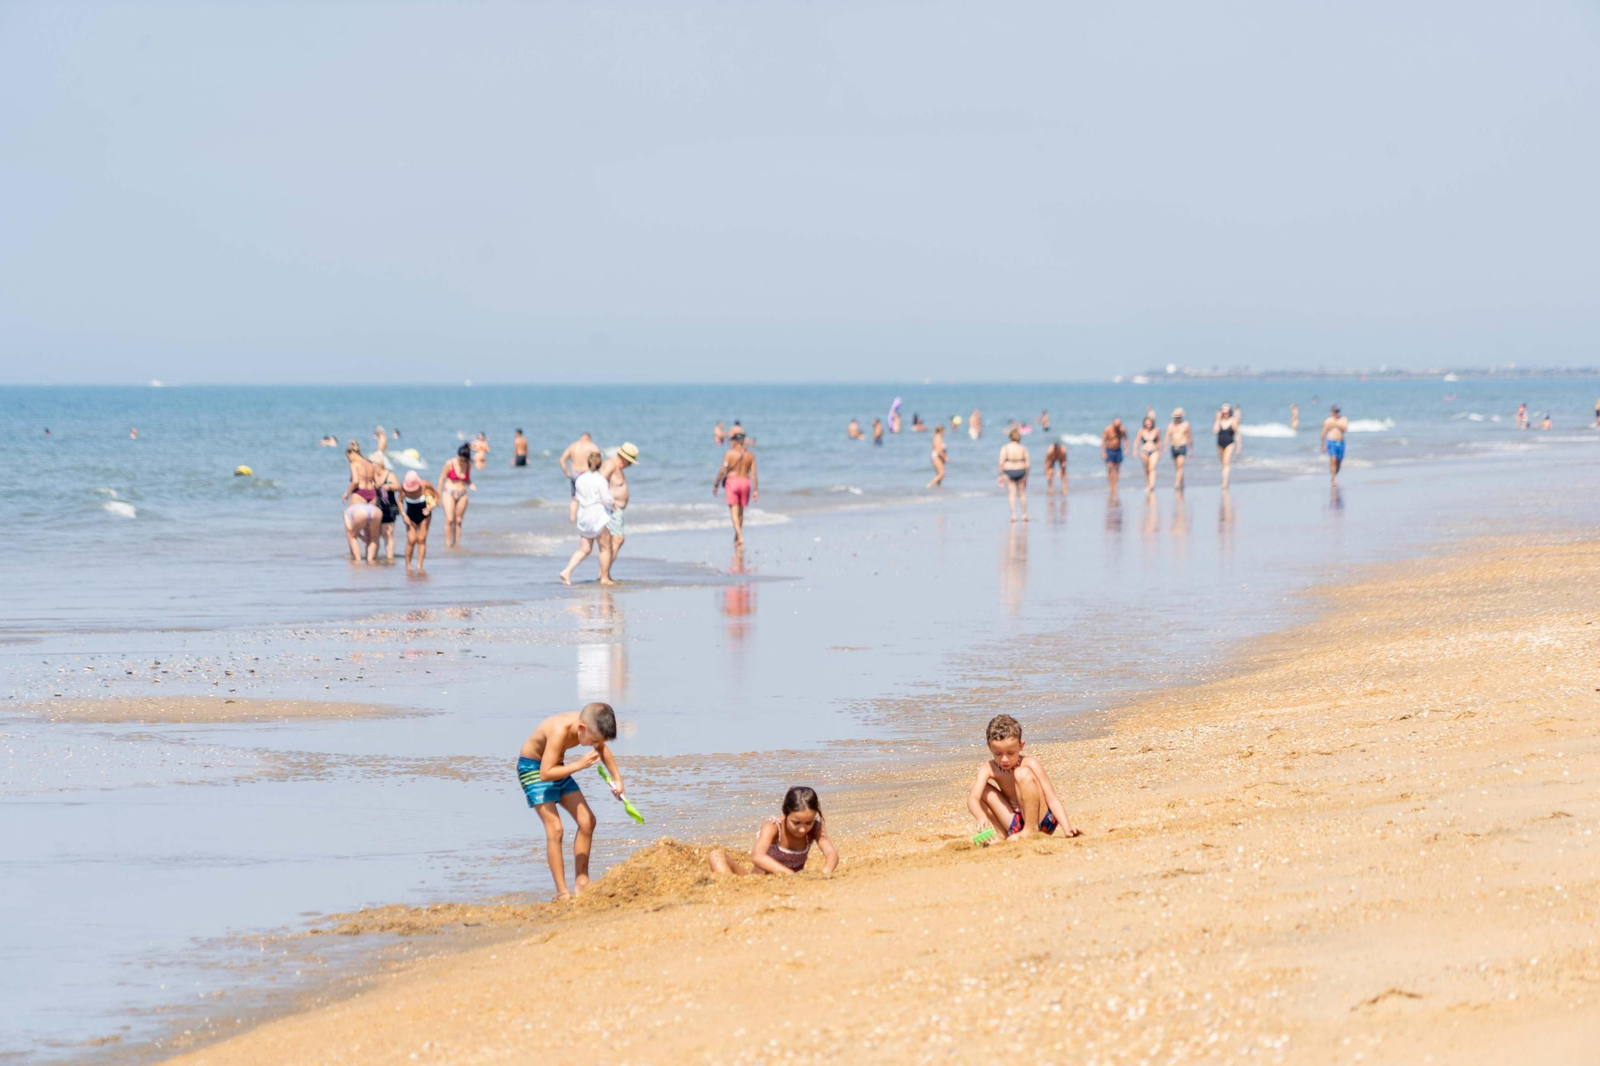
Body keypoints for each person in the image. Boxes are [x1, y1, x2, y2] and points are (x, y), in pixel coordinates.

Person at [516, 702, 624, 900]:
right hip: (534, 770)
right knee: (556, 829)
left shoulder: (589, 725)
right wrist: (579, 764)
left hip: (557, 767)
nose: (594, 745)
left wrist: (617, 779)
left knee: (587, 821)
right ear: (581, 728)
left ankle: (582, 880)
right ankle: (562, 893)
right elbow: (545, 773)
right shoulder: (559, 730)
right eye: (593, 740)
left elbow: (602, 749)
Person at [966, 714, 1080, 843]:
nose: (1004, 759)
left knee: (1021, 773)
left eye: (1011, 753)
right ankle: (1002, 833)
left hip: (1042, 821)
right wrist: (980, 815)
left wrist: (1067, 827)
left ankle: (1030, 829)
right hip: (1014, 822)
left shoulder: (1030, 763)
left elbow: (1052, 798)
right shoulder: (988, 768)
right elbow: (973, 798)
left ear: (1021, 745)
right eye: (998, 754)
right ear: (989, 747)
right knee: (975, 787)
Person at [707, 786, 839, 877]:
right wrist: (789, 874)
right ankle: (731, 886)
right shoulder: (773, 827)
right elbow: (757, 856)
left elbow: (831, 853)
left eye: (808, 822)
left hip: (789, 885)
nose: (803, 829)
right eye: (796, 823)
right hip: (757, 881)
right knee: (716, 855)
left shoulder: (815, 828)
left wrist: (826, 872)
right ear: (785, 813)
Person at [559, 451, 615, 585]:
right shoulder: (600, 479)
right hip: (598, 515)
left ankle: (566, 571)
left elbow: (577, 497)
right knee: (605, 548)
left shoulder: (580, 479)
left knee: (584, 549)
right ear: (600, 464)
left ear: (588, 463)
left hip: (584, 515)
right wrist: (613, 505)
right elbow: (606, 498)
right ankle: (604, 578)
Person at [597, 443, 639, 583]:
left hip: (615, 510)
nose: (630, 466)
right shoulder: (610, 465)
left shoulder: (616, 467)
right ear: (624, 458)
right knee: (616, 540)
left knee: (614, 541)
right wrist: (608, 503)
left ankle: (604, 573)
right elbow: (599, 483)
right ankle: (603, 574)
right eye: (630, 462)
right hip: (611, 509)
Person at [713, 432, 758, 545]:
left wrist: (716, 485)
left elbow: (722, 471)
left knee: (734, 512)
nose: (730, 443)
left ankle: (740, 536)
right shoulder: (750, 455)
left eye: (732, 441)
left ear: (735, 441)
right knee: (741, 513)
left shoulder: (730, 453)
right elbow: (753, 474)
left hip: (732, 482)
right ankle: (737, 536)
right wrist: (755, 490)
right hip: (745, 482)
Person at [558, 432, 601, 522]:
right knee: (589, 496)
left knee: (574, 498)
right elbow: (598, 460)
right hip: (586, 473)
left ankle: (572, 518)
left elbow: (562, 459)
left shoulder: (573, 446)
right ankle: (588, 518)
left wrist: (567, 472)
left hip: (575, 473)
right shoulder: (591, 446)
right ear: (589, 438)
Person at [439, 444, 475, 548]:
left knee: (458, 520)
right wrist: (437, 495)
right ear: (457, 455)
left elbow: (467, 479)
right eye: (460, 459)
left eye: (464, 460)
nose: (462, 462)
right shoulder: (449, 463)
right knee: (450, 519)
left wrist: (471, 484)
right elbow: (441, 479)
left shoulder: (468, 465)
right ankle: (448, 544)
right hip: (449, 492)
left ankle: (456, 544)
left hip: (462, 493)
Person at [399, 470, 436, 572]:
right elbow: (399, 502)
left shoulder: (425, 485)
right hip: (410, 516)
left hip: (425, 516)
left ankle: (419, 566)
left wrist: (430, 507)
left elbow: (436, 496)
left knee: (421, 539)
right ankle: (408, 565)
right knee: (411, 540)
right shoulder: (403, 489)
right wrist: (404, 515)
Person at [996, 428, 1029, 522]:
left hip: (1008, 471)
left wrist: (999, 475)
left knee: (1011, 494)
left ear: (1010, 437)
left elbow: (1001, 463)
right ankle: (1024, 514)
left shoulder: (1005, 448)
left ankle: (1014, 515)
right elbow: (1028, 464)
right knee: (1022, 494)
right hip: (1021, 471)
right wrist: (1026, 476)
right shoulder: (1023, 448)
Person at [375, 464, 401, 563]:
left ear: (379, 465)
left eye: (374, 465)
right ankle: (373, 557)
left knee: (388, 533)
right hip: (376, 507)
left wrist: (390, 486)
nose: (373, 467)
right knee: (375, 534)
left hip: (389, 507)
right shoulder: (372, 475)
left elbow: (398, 487)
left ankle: (390, 558)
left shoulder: (390, 475)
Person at [1214, 403, 1241, 489]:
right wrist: (1217, 419)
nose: (1225, 413)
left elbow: (1237, 434)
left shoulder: (1232, 421)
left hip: (1230, 444)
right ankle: (1226, 479)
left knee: (1226, 463)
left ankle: (1225, 483)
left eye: (1227, 412)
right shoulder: (1219, 421)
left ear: (1229, 412)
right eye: (1224, 412)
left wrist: (1238, 447)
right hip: (1219, 444)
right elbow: (1215, 431)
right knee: (1223, 464)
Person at [1320, 404, 1349, 486]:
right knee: (1333, 459)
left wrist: (1336, 424)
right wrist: (1323, 445)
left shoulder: (1343, 419)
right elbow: (1323, 433)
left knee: (1339, 462)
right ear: (1331, 412)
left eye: (1337, 411)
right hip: (1331, 441)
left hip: (1340, 442)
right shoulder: (1328, 421)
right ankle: (1334, 478)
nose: (1336, 413)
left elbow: (1345, 430)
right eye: (1335, 411)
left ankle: (1334, 475)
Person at [1167, 408, 1192, 490]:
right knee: (1177, 467)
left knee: (1180, 466)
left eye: (1179, 417)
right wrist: (1165, 447)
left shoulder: (1186, 425)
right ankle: (1182, 482)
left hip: (1182, 447)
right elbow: (1167, 436)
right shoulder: (1171, 425)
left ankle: (1177, 483)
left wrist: (1191, 450)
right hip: (1174, 447)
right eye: (1176, 417)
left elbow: (1189, 437)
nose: (1177, 418)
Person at [1136, 415, 1162, 492]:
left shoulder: (1156, 430)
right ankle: (1147, 484)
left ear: (1152, 423)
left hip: (1154, 451)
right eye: (1147, 423)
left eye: (1150, 423)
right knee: (1146, 469)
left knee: (1152, 468)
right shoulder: (1141, 431)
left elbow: (1159, 441)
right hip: (1144, 452)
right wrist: (1135, 451)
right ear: (1144, 423)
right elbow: (1136, 441)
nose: (1148, 424)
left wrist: (1160, 451)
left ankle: (1152, 485)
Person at [1101, 418, 1127, 492]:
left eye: (1119, 426)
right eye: (1116, 426)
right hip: (1109, 450)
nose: (1117, 427)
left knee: (1117, 468)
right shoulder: (1108, 429)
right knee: (1109, 467)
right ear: (1113, 424)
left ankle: (1115, 484)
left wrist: (1127, 449)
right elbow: (1103, 441)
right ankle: (1110, 484)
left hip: (1118, 450)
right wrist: (1103, 452)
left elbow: (1126, 438)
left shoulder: (1122, 429)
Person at [926, 424, 948, 488]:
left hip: (938, 457)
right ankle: (929, 485)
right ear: (941, 431)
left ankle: (938, 487)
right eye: (944, 431)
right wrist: (945, 457)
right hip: (937, 457)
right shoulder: (938, 437)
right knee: (942, 473)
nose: (944, 432)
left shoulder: (937, 437)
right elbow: (939, 450)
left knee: (939, 474)